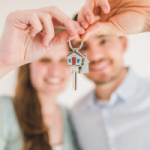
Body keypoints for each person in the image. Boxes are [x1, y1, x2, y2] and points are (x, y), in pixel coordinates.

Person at [70, 14, 150, 150]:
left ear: (123, 44)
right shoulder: (76, 114)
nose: (95, 56)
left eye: (104, 41)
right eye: (82, 47)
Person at [0, 28, 77, 150]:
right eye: (45, 60)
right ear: (27, 65)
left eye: (63, 60)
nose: (55, 71)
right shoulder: (5, 108)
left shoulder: (70, 116)